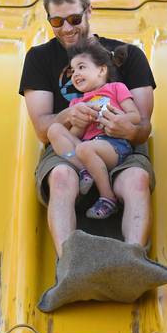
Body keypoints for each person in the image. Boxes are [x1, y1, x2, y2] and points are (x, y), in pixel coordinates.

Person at [18, 0, 156, 257]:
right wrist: (70, 114)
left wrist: (124, 128)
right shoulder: (39, 58)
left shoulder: (127, 56)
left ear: (89, 11)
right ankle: (68, 262)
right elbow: (43, 130)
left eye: (73, 18)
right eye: (57, 22)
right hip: (68, 150)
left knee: (136, 180)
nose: (66, 29)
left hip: (120, 147)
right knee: (60, 177)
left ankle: (133, 259)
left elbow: (143, 127)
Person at [46, 39, 140, 220]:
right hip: (87, 150)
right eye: (72, 71)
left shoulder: (115, 89)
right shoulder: (76, 103)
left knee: (84, 148)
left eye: (81, 67)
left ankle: (108, 198)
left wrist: (117, 118)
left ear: (101, 70)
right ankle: (85, 170)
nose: (75, 74)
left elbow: (135, 117)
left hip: (114, 145)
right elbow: (74, 137)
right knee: (55, 130)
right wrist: (80, 124)